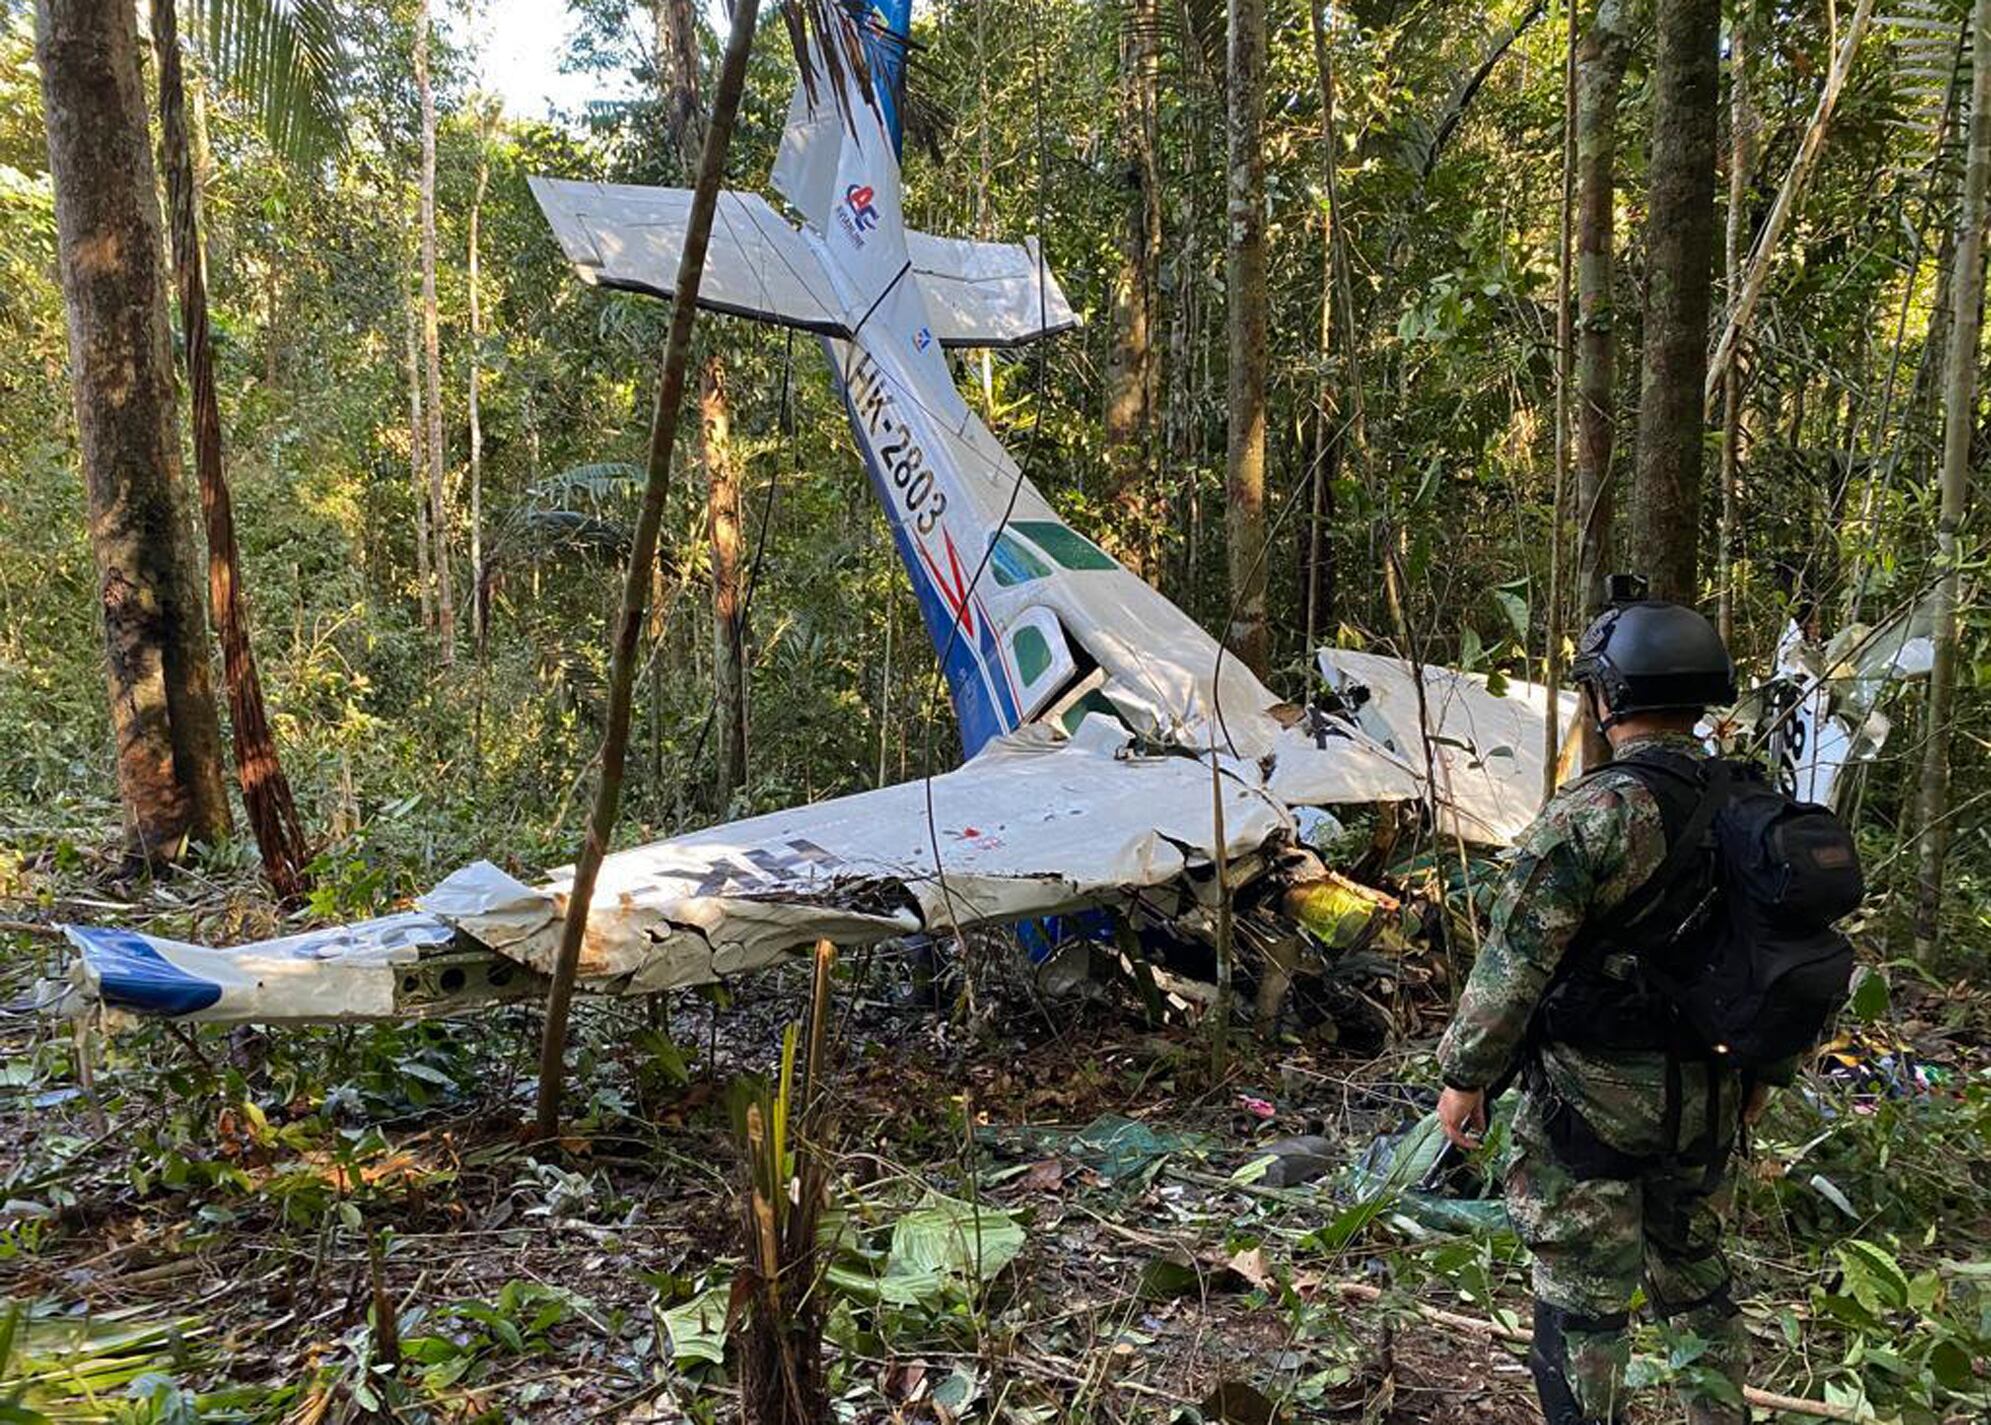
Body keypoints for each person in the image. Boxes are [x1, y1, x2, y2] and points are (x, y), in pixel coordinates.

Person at [1433, 597, 1776, 1425]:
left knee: (1582, 1295)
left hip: (1591, 1105)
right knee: (1695, 1275)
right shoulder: (1752, 806)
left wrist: (1462, 1077)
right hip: (1712, 1090)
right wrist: (1762, 1074)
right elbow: (1779, 953)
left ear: (1608, 695)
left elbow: (1513, 963)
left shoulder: (1595, 813)